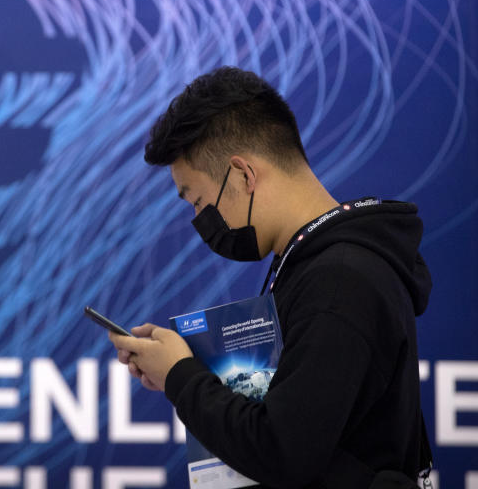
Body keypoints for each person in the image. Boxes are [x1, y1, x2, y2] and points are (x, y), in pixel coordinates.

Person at [109, 66, 432, 488]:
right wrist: (188, 366)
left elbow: (280, 451)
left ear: (243, 174)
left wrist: (181, 378)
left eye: (199, 201)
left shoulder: (340, 282)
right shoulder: (315, 266)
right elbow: (303, 419)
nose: (199, 220)